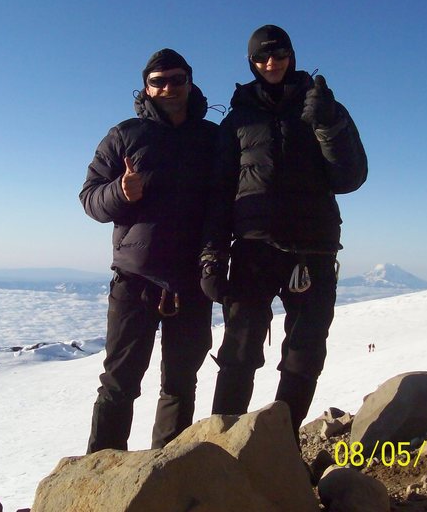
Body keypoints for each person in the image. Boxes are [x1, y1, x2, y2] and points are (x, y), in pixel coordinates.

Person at [200, 25, 368, 443]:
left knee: (304, 353)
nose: (271, 64)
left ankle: (282, 444)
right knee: (238, 351)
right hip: (254, 249)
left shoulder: (323, 107)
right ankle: (224, 445)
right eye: (261, 58)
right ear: (251, 63)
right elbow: (220, 194)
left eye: (279, 55)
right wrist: (213, 253)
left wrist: (328, 124)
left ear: (293, 55)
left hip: (313, 250)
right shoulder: (238, 120)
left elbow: (351, 177)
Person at [80, 49, 218, 452]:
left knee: (180, 384)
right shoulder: (124, 135)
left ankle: (166, 473)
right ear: (146, 87)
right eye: (159, 81)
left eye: (176, 79)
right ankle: (101, 473)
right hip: (135, 281)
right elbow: (89, 198)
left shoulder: (212, 139)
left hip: (193, 281)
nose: (168, 88)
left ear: (190, 82)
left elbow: (224, 201)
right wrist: (118, 193)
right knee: (118, 385)